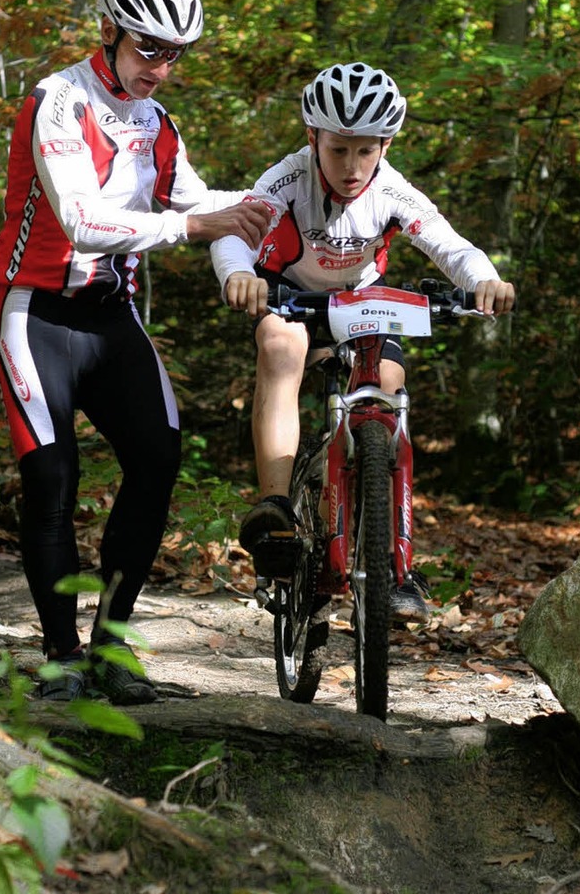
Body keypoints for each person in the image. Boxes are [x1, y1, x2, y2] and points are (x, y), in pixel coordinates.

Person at [0, 0, 271, 703]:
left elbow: (192, 199)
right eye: (149, 48)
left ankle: (113, 646)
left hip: (112, 314)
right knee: (52, 476)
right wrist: (198, 226)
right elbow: (82, 219)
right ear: (109, 29)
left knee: (158, 455)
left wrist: (262, 207)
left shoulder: (155, 119)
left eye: (175, 54)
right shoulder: (59, 100)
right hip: (36, 310)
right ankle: (61, 653)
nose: (161, 66)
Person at [211, 62, 515, 624]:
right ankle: (277, 506)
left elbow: (449, 246)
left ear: (386, 144)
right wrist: (238, 274)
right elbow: (236, 232)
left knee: (388, 388)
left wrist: (484, 280)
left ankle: (393, 562)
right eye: (338, 150)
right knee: (281, 347)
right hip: (291, 295)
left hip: (360, 302)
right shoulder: (285, 178)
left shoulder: (393, 189)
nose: (352, 167)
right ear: (313, 139)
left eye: (366, 151)